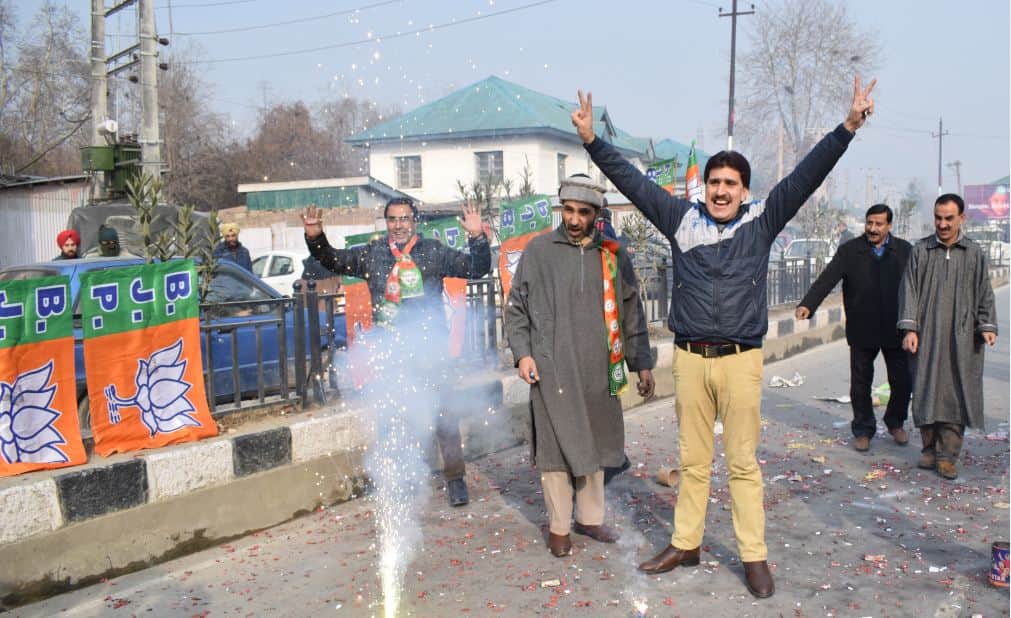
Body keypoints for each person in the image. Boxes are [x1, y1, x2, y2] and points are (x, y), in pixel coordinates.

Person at [570, 76, 877, 598]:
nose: (720, 190)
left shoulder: (762, 222)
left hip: (740, 361)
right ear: (704, 187)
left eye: (731, 183)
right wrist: (592, 142)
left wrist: (848, 127)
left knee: (741, 464)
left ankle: (753, 556)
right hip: (690, 359)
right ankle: (685, 542)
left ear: (745, 191)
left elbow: (806, 176)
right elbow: (634, 183)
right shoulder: (678, 219)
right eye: (714, 182)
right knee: (692, 462)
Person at [301, 197, 491, 506]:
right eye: (392, 219)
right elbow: (333, 260)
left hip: (432, 351)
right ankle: (398, 478)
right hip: (390, 350)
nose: (398, 225)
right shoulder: (372, 254)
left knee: (444, 416)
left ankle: (455, 477)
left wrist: (476, 238)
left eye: (404, 219)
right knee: (392, 417)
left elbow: (476, 267)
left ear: (414, 221)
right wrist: (315, 238)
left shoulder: (433, 251)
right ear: (386, 223)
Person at [504, 174, 655, 558]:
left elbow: (632, 311)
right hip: (552, 367)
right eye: (568, 210)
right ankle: (558, 526)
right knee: (555, 448)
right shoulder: (538, 252)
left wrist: (642, 364)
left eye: (582, 212)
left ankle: (589, 519)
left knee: (595, 442)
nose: (573, 219)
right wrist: (523, 354)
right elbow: (516, 308)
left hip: (599, 369)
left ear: (596, 214)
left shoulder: (613, 255)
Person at [796, 204, 913, 452]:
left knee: (902, 381)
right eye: (869, 223)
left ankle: (895, 422)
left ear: (889, 226)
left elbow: (919, 286)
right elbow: (828, 278)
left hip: (896, 328)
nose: (872, 228)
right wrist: (808, 303)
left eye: (878, 224)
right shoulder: (851, 251)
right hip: (863, 327)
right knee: (860, 382)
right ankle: (863, 429)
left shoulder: (904, 251)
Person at [897, 193, 998, 480]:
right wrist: (910, 329)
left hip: (963, 337)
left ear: (961, 218)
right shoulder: (922, 251)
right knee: (926, 389)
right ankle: (928, 450)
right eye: (938, 218)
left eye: (949, 218)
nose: (942, 224)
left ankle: (947, 456)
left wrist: (987, 326)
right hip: (926, 336)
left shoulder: (974, 253)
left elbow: (985, 293)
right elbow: (909, 291)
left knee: (956, 392)